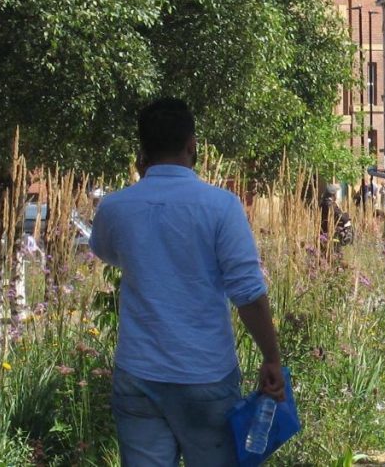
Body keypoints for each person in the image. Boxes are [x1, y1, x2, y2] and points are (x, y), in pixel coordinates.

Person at [91, 98, 284, 465]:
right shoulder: (220, 206)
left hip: (138, 373)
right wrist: (271, 357)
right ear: (192, 145)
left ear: (142, 151)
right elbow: (248, 294)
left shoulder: (116, 207)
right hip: (205, 374)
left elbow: (107, 252)